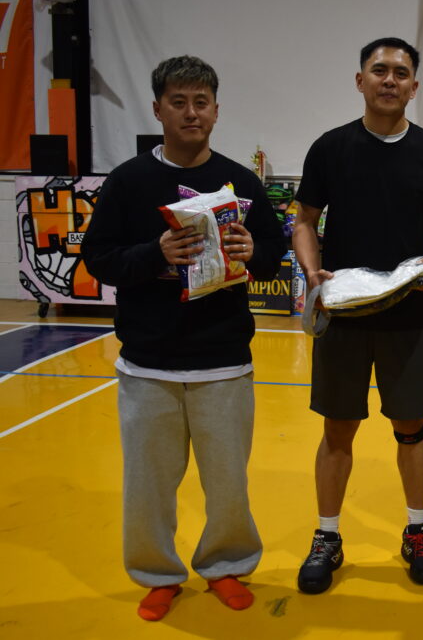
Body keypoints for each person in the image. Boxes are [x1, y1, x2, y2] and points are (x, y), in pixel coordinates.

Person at [81, 56, 286, 621]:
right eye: (179, 102)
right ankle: (157, 574)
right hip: (148, 365)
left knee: (228, 483)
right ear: (158, 110)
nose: (191, 113)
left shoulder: (240, 182)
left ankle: (226, 565)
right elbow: (98, 258)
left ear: (216, 110)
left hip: (224, 362)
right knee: (148, 485)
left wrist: (254, 251)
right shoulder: (128, 181)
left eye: (201, 102)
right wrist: (156, 253)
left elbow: (273, 252)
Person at [292, 37, 423, 592]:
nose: (390, 80)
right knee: (338, 427)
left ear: (414, 86)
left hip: (407, 314)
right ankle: (327, 536)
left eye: (401, 73)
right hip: (343, 312)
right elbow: (304, 220)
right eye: (379, 70)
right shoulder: (330, 148)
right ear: (360, 80)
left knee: (410, 426)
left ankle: (418, 531)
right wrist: (312, 272)